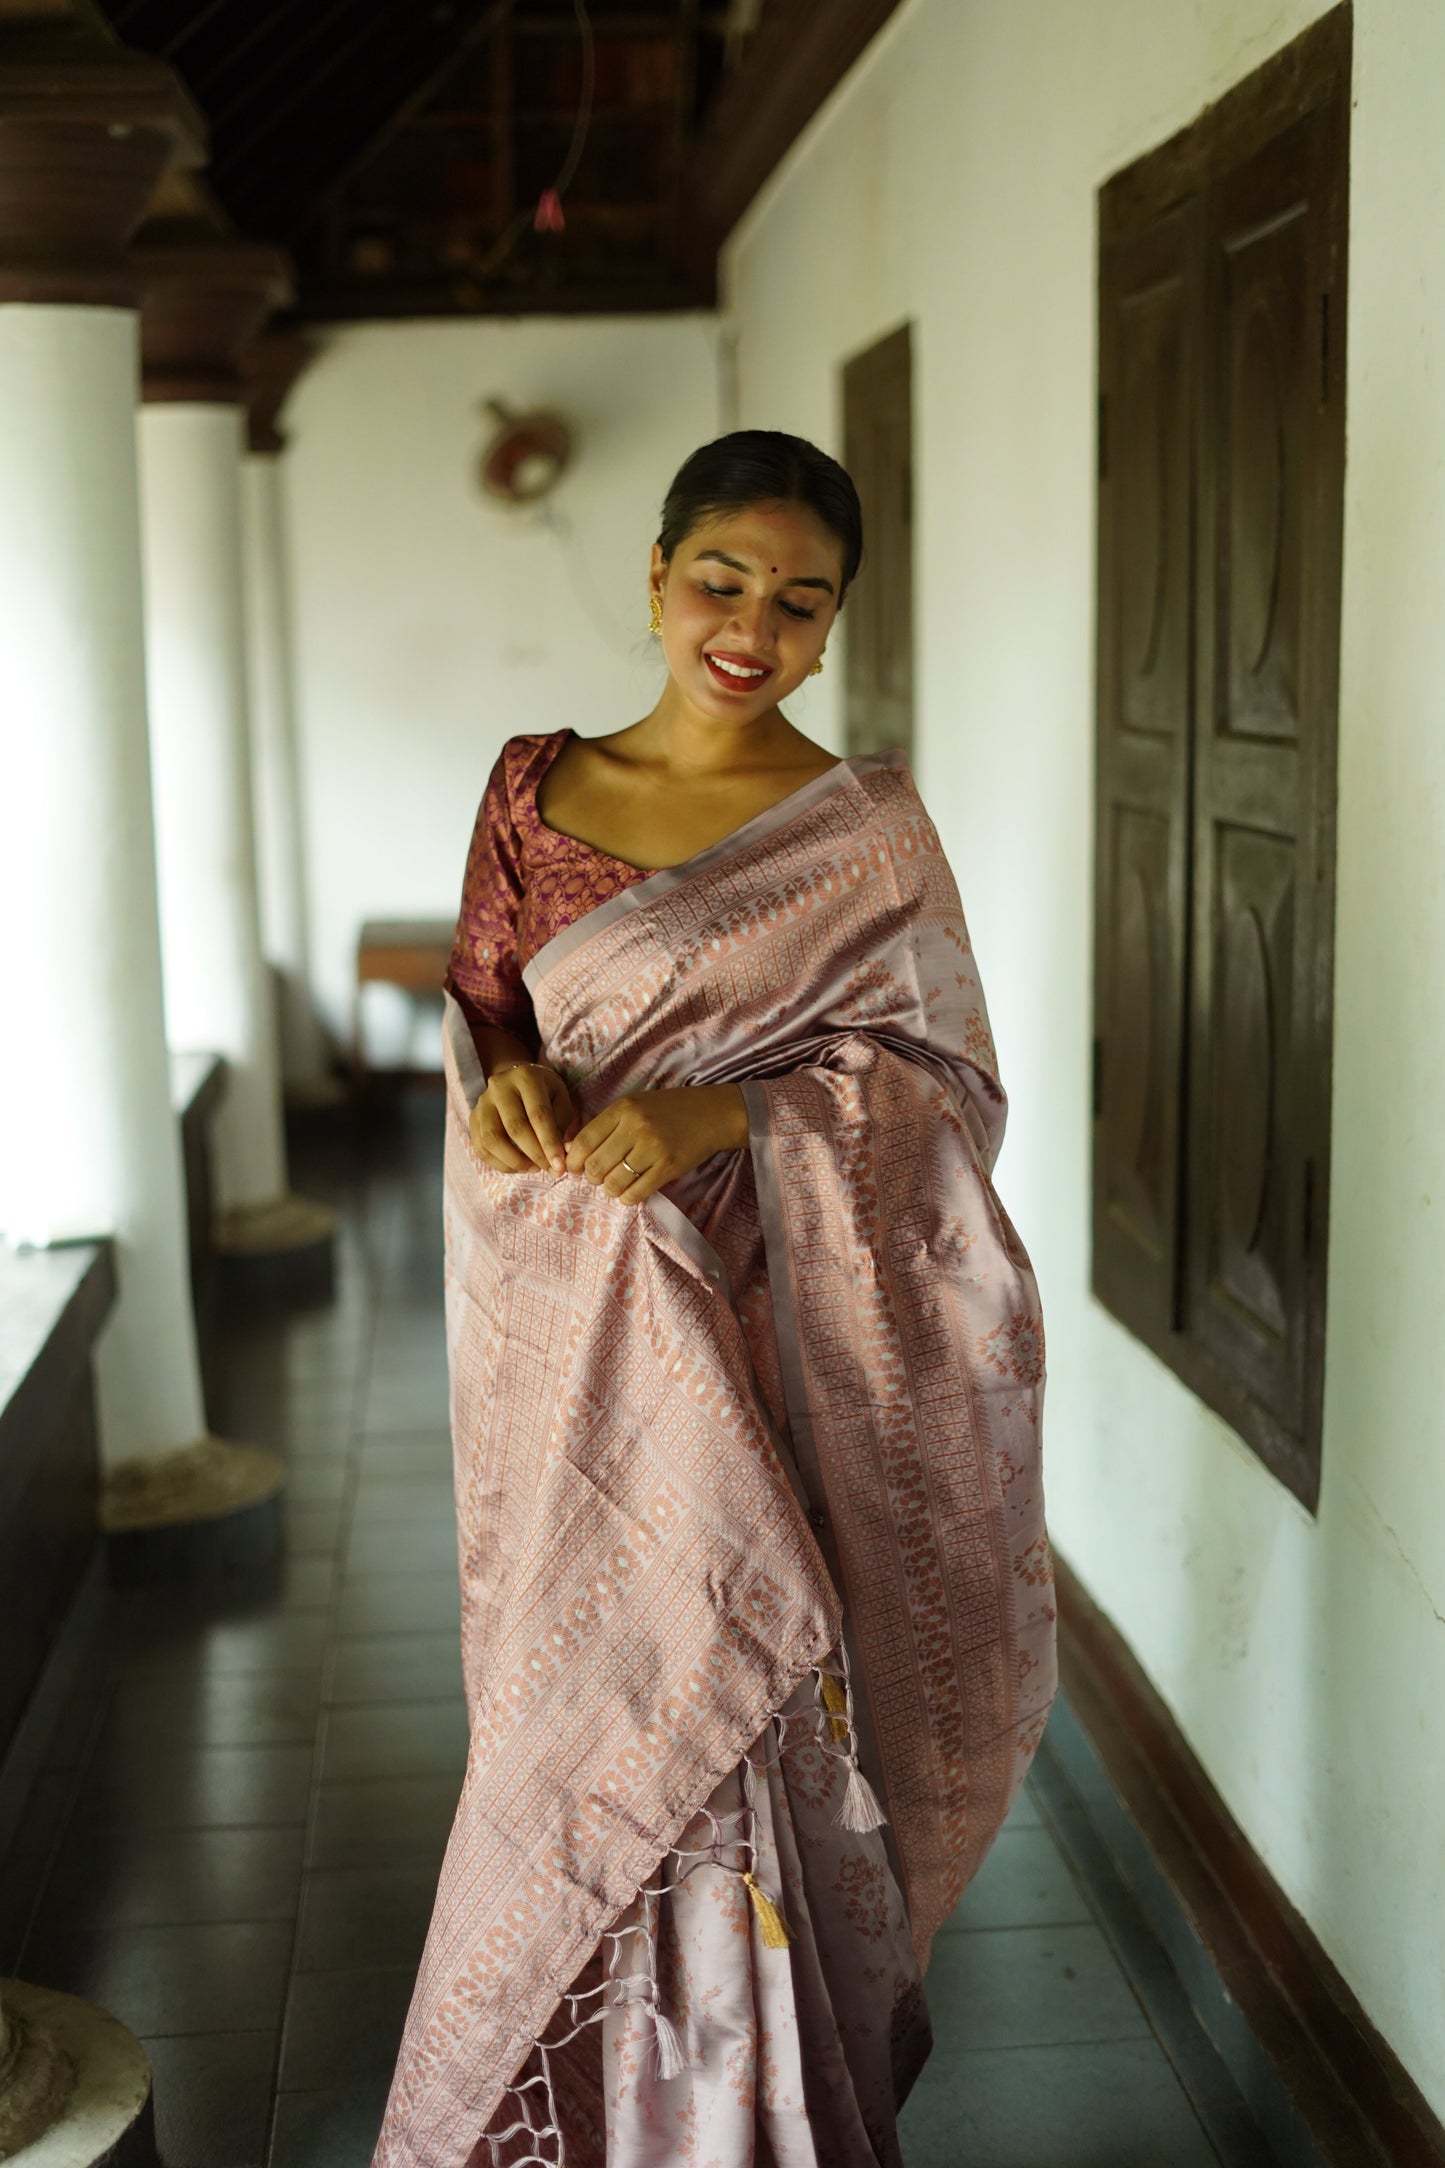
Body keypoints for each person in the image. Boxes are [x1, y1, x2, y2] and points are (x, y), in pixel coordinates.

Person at [373, 431, 1055, 2168]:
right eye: (721, 580)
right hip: (581, 1341)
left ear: (834, 627)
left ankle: (756, 2114)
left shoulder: (863, 833)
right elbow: (485, 1016)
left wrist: (727, 1110)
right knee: (593, 1697)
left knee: (742, 1686)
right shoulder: (533, 784)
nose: (751, 626)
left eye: (799, 598)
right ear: (656, 577)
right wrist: (507, 1091)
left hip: (783, 1339)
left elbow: (944, 1087)